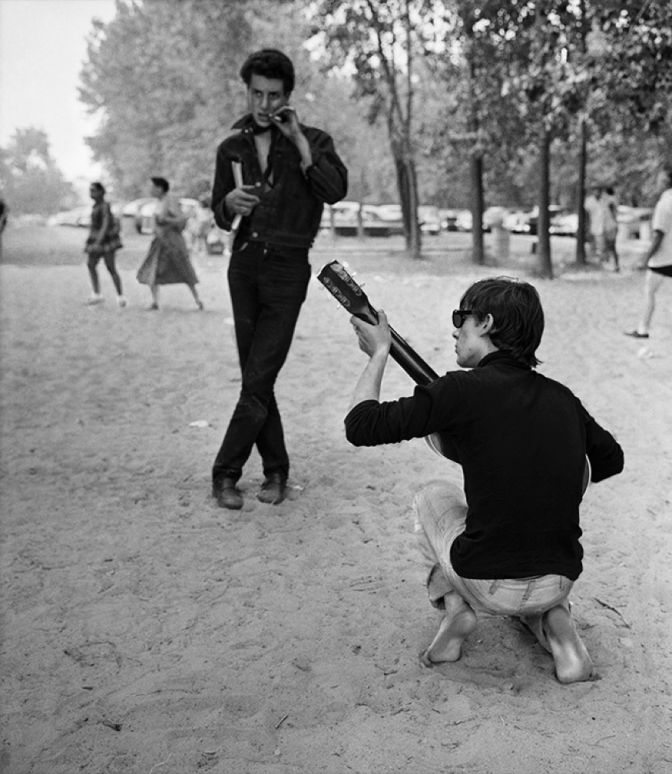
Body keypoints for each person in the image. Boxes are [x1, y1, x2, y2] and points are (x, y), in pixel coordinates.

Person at [345, 277, 624, 683]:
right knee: (532, 550)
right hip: (559, 578)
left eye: (463, 318)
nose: (455, 329)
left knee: (432, 496)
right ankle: (558, 626)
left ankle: (457, 610)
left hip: (486, 581)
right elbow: (610, 461)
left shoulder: (458, 391)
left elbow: (360, 425)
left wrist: (379, 353)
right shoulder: (562, 398)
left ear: (488, 323)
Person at [210, 49, 348, 509]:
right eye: (256, 93)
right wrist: (229, 204)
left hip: (289, 269)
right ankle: (276, 471)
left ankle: (225, 473)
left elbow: (334, 190)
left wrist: (302, 148)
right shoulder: (231, 147)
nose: (264, 103)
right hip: (244, 266)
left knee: (259, 375)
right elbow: (220, 218)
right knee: (257, 377)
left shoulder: (316, 140)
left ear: (288, 96)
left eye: (273, 95)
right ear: (247, 91)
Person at [625, 166, 672, 341]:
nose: (657, 183)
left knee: (649, 292)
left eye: (659, 180)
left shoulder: (664, 204)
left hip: (662, 259)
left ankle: (643, 329)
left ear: (666, 182)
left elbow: (658, 234)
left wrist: (647, 257)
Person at [136, 177, 204, 311]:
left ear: (159, 188)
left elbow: (181, 220)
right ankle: (155, 301)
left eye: (152, 187)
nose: (150, 190)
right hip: (160, 241)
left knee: (183, 268)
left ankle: (197, 299)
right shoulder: (159, 202)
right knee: (152, 268)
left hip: (173, 241)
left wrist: (165, 219)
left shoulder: (170, 199)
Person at [84, 182, 125, 306]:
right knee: (91, 264)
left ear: (101, 192)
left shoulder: (104, 206)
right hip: (96, 238)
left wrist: (98, 241)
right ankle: (97, 294)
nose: (91, 193)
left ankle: (120, 296)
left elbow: (106, 224)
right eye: (90, 191)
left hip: (105, 240)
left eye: (93, 190)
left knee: (110, 267)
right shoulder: (95, 206)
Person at [602, 186, 620, 272]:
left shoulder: (610, 201)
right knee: (610, 247)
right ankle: (613, 265)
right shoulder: (613, 199)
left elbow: (613, 214)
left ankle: (615, 265)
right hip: (611, 226)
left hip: (611, 226)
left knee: (611, 247)